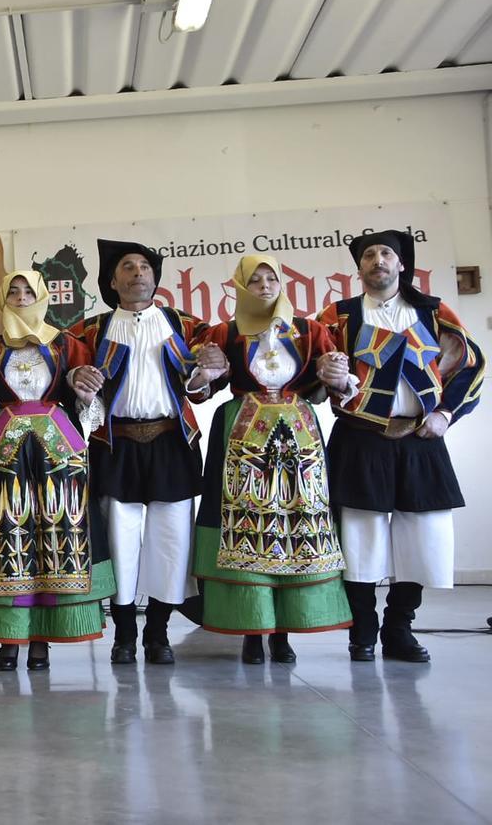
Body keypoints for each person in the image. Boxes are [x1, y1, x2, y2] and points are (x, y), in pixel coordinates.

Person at [316, 230, 483, 663]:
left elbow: (471, 364)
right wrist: (327, 375)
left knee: (422, 538)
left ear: (402, 263)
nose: (378, 260)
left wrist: (445, 414)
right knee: (358, 540)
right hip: (360, 438)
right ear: (359, 268)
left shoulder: (433, 311)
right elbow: (316, 368)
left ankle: (399, 628)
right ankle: (363, 631)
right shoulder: (338, 316)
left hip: (420, 438)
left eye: (386, 253)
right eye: (369, 255)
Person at [68, 240, 224, 664]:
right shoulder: (89, 331)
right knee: (118, 540)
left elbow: (206, 380)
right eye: (127, 266)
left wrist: (210, 369)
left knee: (171, 541)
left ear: (155, 278)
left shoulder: (184, 324)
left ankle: (158, 633)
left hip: (171, 443)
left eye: (145, 266)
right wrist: (76, 380)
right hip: (115, 445)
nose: (138, 272)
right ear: (112, 281)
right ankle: (123, 634)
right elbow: (70, 377)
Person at [192, 255, 351, 664]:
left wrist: (335, 372)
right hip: (242, 435)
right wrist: (206, 374)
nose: (265, 286)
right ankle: (252, 627)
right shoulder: (225, 333)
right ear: (241, 287)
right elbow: (202, 391)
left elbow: (332, 388)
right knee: (247, 526)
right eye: (255, 280)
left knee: (296, 527)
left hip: (298, 438)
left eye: (271, 279)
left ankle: (283, 632)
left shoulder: (310, 331)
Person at [0, 272, 113, 670]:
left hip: (57, 452)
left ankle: (41, 639)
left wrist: (84, 388)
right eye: (14, 291)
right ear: (3, 298)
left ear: (41, 297)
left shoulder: (65, 344)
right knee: (8, 534)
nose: (21, 297)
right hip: (4, 452)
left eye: (29, 291)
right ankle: (9, 636)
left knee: (56, 536)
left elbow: (89, 395)